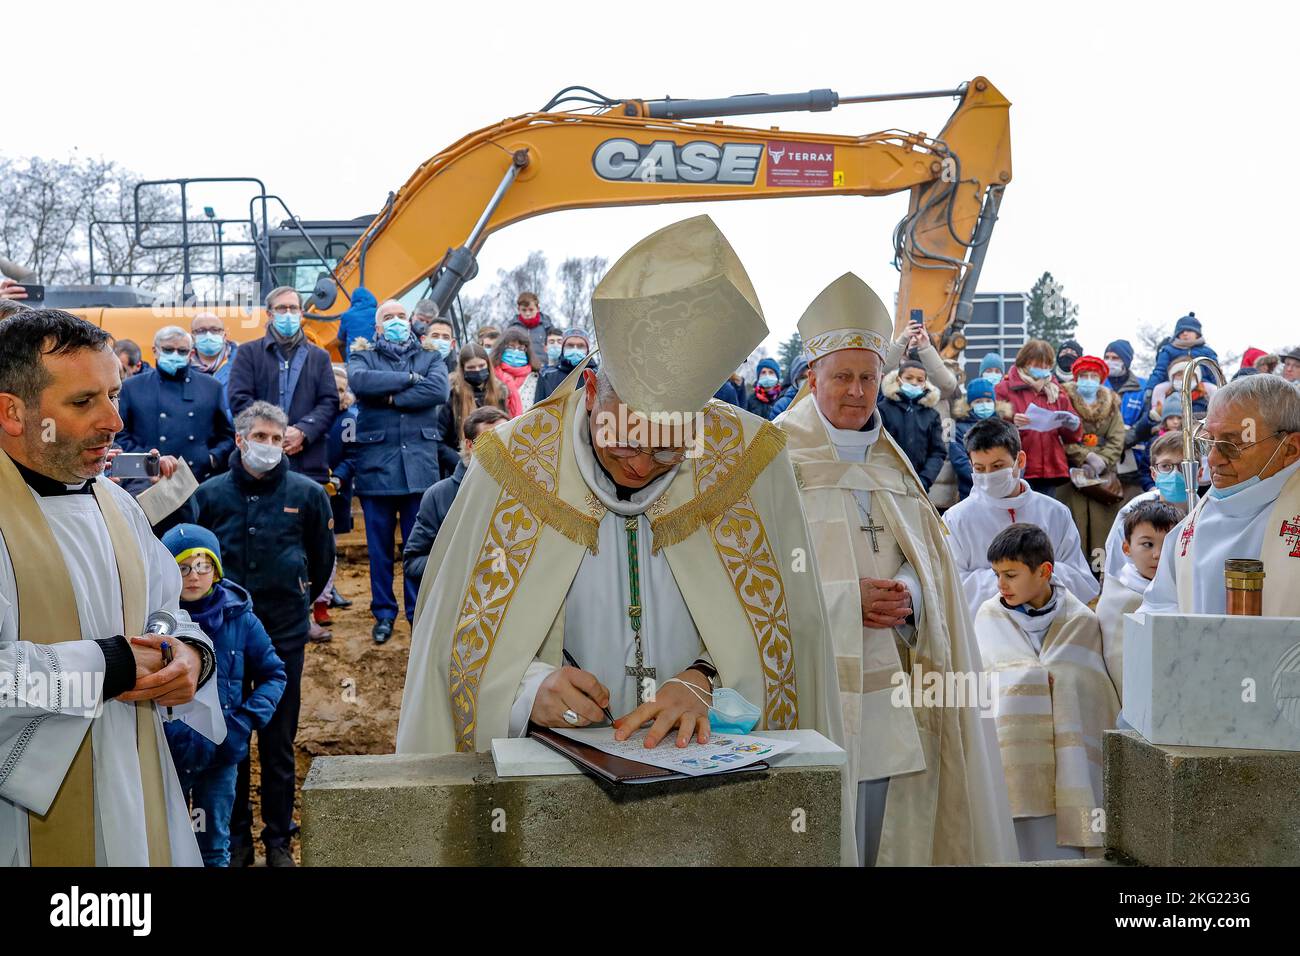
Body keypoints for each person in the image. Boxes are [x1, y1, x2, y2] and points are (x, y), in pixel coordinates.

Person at [398, 216, 848, 855]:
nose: (641, 466)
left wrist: (703, 681)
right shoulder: (512, 462)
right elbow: (456, 638)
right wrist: (527, 689)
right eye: (628, 441)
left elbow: (786, 633)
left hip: (710, 788)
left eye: (668, 454)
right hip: (550, 788)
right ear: (589, 387)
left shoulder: (750, 459)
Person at [778, 272, 1016, 866]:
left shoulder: (894, 464)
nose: (857, 392)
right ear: (813, 379)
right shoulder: (773, 460)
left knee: (883, 824)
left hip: (894, 682)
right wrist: (841, 598)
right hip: (812, 687)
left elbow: (930, 560)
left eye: (866, 376)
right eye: (842, 377)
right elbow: (748, 575)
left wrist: (910, 593)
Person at [0, 308, 221, 866]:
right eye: (83, 402)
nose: (114, 422)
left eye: (114, 396)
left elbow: (167, 613)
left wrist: (189, 656)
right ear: (12, 412)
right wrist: (106, 667)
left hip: (136, 777)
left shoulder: (116, 503)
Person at [191, 401, 335, 867]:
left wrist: (296, 591)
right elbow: (196, 556)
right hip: (221, 634)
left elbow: (321, 556)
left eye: (278, 439)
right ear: (240, 439)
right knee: (226, 736)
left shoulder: (307, 493)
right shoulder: (210, 495)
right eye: (262, 438)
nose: (270, 447)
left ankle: (278, 838)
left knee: (277, 739)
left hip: (283, 631)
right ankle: (235, 840)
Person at [975, 523, 1118, 861]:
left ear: (1044, 571)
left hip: (1070, 774)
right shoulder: (987, 616)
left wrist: (1056, 683)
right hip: (1012, 769)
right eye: (996, 574)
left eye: (1011, 574)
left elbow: (1094, 691)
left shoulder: (1080, 621)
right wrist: (1033, 683)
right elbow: (980, 687)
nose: (1001, 585)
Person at [160, 524, 286, 867]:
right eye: (183, 567)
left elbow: (274, 674)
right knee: (165, 842)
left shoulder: (240, 619)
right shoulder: (155, 621)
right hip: (167, 755)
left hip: (219, 754)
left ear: (216, 570)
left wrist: (243, 722)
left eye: (203, 566)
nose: (194, 576)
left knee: (213, 846)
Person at [1141, 375, 1300, 617]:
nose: (1213, 459)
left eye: (1232, 445)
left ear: (1290, 448)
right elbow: (1159, 606)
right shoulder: (1191, 526)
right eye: (1210, 442)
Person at [346, 299, 451, 643]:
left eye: (400, 316)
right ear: (377, 327)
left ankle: (416, 612)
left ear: (411, 322)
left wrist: (389, 397)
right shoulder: (363, 354)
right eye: (387, 317)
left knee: (417, 547)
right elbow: (360, 382)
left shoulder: (431, 355)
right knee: (379, 551)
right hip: (376, 466)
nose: (395, 321)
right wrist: (407, 379)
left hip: (419, 469)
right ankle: (384, 613)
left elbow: (438, 390)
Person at [943, 417, 1100, 618]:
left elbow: (1080, 578)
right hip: (988, 631)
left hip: (1051, 626)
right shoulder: (957, 519)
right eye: (979, 469)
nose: (989, 475)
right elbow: (952, 587)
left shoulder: (1054, 512)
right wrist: (1021, 579)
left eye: (998, 466)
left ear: (1021, 460)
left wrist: (1033, 579)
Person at [227, 285, 340, 483]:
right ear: (269, 314)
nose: (288, 313)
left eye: (293, 308)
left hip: (308, 461)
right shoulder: (248, 353)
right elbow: (239, 399)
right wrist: (272, 433)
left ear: (301, 312)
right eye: (281, 308)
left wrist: (303, 431)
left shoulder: (319, 356)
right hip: (258, 463)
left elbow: (329, 401)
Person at [403, 405, 509, 589]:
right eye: (491, 440)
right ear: (470, 446)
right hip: (458, 604)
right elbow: (413, 562)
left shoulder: (525, 494)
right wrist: (457, 562)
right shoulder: (439, 496)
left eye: (506, 438)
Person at [116, 326, 235, 483]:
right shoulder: (132, 387)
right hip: (147, 481)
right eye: (168, 349)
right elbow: (119, 436)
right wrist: (150, 463)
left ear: (191, 354)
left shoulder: (211, 387)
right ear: (155, 351)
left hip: (199, 479)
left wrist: (211, 458)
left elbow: (227, 437)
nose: (175, 355)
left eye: (182, 351)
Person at [1095, 501, 1180, 700]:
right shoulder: (1118, 598)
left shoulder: (1183, 589)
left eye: (1168, 544)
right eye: (1147, 544)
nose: (1158, 555)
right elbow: (1118, 662)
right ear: (1126, 548)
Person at [1060, 354, 1128, 565]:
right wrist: (1084, 456)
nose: (1088, 380)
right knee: (1075, 522)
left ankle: (1102, 571)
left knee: (1103, 525)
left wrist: (1102, 460)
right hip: (1072, 473)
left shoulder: (1112, 404)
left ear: (1100, 379)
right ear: (1076, 377)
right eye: (1084, 375)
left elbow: (1117, 438)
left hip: (1103, 475)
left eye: (1093, 376)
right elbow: (1059, 435)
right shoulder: (1064, 400)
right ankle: (1076, 570)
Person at [995, 339, 1083, 496]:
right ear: (1024, 363)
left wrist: (1072, 424)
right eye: (1037, 366)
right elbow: (993, 426)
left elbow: (1072, 436)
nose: (1042, 370)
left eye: (1046, 366)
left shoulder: (1056, 390)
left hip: (1049, 468)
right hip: (1019, 467)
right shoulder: (1004, 388)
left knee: (1044, 517)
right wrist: (1013, 422)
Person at [1101, 431, 1188, 580]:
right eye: (1166, 466)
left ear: (1198, 472)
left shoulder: (1208, 513)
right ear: (1153, 474)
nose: (1175, 474)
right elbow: (1116, 568)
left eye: (1182, 466)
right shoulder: (1132, 513)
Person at [438, 343, 509, 476]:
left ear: (488, 365)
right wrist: (460, 462)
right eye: (471, 367)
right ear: (463, 369)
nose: (477, 370)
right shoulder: (452, 395)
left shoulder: (499, 393)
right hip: (460, 467)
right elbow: (438, 439)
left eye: (481, 366)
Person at [877, 359, 946, 492]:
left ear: (925, 384)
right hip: (886, 485)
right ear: (898, 380)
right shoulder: (882, 410)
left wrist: (924, 481)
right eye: (909, 378)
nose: (914, 382)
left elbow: (937, 452)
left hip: (919, 487)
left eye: (920, 380)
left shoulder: (932, 415)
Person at [948, 376, 1009, 501]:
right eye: (978, 402)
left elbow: (1015, 455)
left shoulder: (1005, 426)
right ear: (969, 405)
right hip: (971, 491)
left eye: (988, 400)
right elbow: (960, 460)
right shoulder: (959, 428)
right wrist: (985, 479)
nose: (984, 405)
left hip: (1002, 490)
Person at [1104, 339, 1148, 498]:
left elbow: (1147, 421)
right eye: (1107, 357)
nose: (1110, 362)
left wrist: (1125, 438)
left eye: (1115, 358)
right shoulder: (1098, 385)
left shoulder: (1143, 387)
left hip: (1135, 464)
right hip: (1103, 462)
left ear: (1126, 361)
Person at [1149, 312, 1218, 390]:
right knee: (1159, 390)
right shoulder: (1168, 350)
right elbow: (1159, 371)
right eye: (1181, 331)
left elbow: (1215, 374)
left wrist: (1222, 389)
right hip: (1173, 387)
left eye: (1189, 330)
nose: (1185, 333)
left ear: (1197, 333)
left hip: (1201, 388)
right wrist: (1150, 388)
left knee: (1213, 390)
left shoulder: (1207, 352)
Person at [190, 312, 239, 415]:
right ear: (192, 337)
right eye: (201, 331)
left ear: (224, 335)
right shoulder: (182, 366)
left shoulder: (243, 362)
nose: (208, 335)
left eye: (215, 330)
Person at [534, 327, 593, 404]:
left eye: (580, 346)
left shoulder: (596, 375)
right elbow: (537, 410)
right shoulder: (547, 375)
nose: (575, 349)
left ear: (587, 350)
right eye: (570, 345)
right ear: (563, 348)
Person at [491, 326, 540, 415]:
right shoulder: (491, 376)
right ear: (501, 349)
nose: (516, 351)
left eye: (521, 348)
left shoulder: (535, 377)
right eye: (511, 347)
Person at [504, 291, 552, 362]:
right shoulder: (512, 328)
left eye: (531, 310)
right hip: (519, 366)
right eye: (524, 310)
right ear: (519, 310)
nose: (527, 313)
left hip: (543, 366)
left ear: (538, 309)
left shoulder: (547, 326)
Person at [333, 286, 379, 358]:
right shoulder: (377, 313)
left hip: (354, 357)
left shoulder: (346, 315)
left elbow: (340, 337)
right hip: (375, 356)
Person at [420, 309, 459, 376]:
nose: (440, 340)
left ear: (452, 344)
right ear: (423, 340)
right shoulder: (412, 365)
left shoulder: (458, 373)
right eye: (435, 336)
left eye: (445, 337)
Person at [769, 354, 809, 418]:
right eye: (802, 377)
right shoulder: (783, 405)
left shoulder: (824, 401)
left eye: (809, 377)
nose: (807, 381)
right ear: (794, 381)